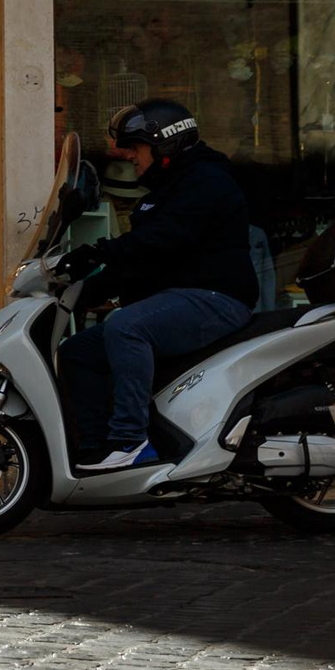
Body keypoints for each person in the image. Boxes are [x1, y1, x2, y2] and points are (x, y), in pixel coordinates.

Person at [55, 101, 258, 471]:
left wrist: (99, 251)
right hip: (178, 297)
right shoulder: (166, 191)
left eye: (135, 147)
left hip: (216, 298)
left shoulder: (206, 181)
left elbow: (166, 239)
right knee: (77, 352)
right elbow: (142, 259)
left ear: (165, 145)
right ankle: (95, 449)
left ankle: (130, 441)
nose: (127, 155)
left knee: (126, 326)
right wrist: (85, 292)